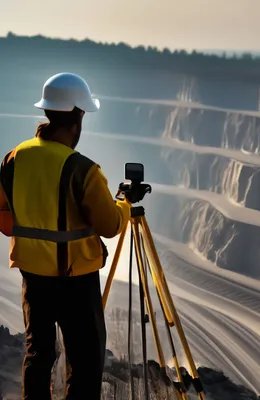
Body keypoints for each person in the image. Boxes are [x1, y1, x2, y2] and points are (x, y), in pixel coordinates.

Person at [0, 72, 131, 399]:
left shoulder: (14, 158)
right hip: (76, 281)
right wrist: (125, 204)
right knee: (85, 363)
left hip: (33, 276)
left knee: (38, 355)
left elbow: (4, 221)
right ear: (78, 118)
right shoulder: (83, 169)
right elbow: (111, 226)